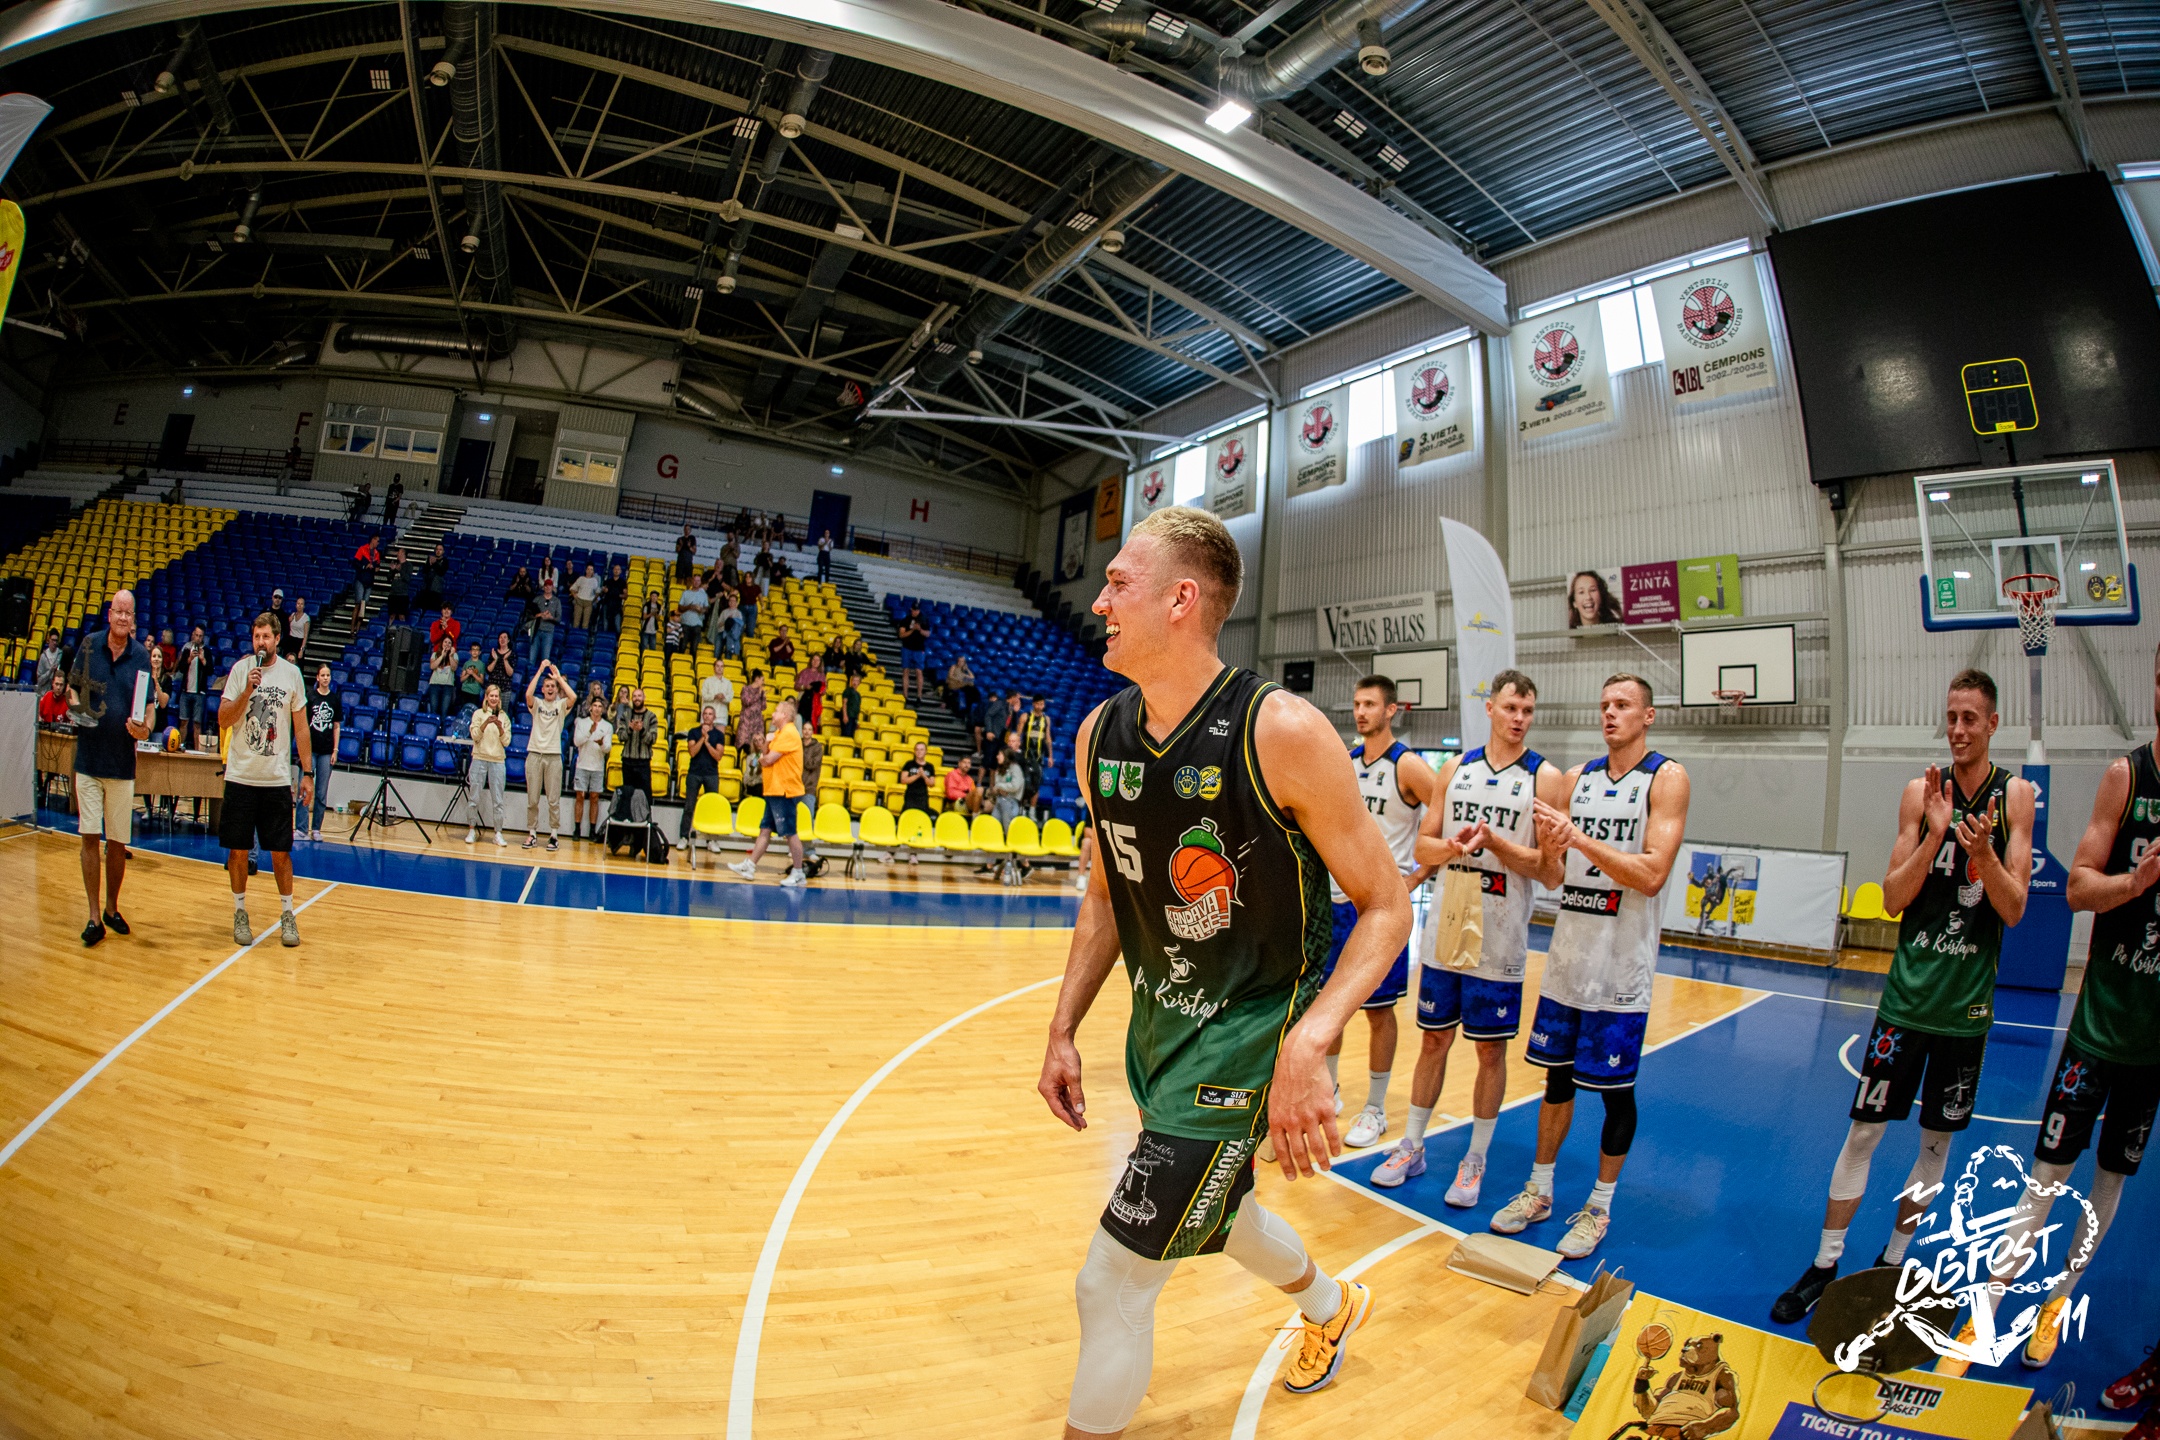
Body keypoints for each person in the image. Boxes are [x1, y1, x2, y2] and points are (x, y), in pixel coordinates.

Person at [1037, 506, 1412, 1433]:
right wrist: (1062, 1027)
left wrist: (1310, 1043)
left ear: (1180, 600)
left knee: (1111, 1282)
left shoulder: (1280, 730)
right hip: (1163, 1036)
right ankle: (1333, 1306)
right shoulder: (1098, 735)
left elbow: (1387, 904)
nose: (1099, 601)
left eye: (1118, 583)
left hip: (1246, 1044)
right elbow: (1104, 893)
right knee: (1219, 1211)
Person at [1769, 668, 2033, 1323]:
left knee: (1935, 1147)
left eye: (1970, 718)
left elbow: (2015, 908)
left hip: (1965, 1013)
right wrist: (1938, 834)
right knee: (1863, 1132)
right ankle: (1824, 1263)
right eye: (1951, 717)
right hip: (1905, 1004)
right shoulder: (1922, 792)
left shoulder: (2015, 797)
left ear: (1993, 723)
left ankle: (1892, 1261)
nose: (1958, 730)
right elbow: (1891, 898)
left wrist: (1984, 854)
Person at [1935, 647, 2160, 1375]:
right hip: (2098, 1027)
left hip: (2153, 1046)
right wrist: (2136, 884)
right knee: (2046, 1176)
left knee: (2110, 1182)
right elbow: (2077, 888)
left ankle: (2057, 1302)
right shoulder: (2129, 776)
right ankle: (1986, 1312)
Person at [1485, 674, 1691, 1262]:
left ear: (1648, 716)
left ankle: (1599, 1207)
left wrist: (1579, 839)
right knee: (1556, 1082)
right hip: (1567, 963)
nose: (1610, 713)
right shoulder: (1577, 780)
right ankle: (1540, 1191)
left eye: (1622, 705)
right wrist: (1550, 849)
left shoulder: (1666, 778)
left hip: (1621, 970)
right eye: (1604, 705)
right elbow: (1553, 877)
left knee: (1616, 1094)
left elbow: (1652, 874)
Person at [1374, 670, 1563, 1197]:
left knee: (1489, 1052)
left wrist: (1496, 844)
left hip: (1501, 933)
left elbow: (1551, 872)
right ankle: (1411, 1145)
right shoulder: (1455, 768)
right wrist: (1456, 846)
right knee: (1434, 1039)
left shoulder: (1545, 778)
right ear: (1490, 708)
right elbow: (1423, 848)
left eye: (1527, 711)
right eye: (1511, 709)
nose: (1519, 719)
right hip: (1447, 925)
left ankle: (1475, 1158)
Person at [1320, 675, 1441, 1153]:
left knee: (1378, 1010)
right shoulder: (1346, 762)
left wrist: (1417, 876)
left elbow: (1444, 813)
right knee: (1327, 1003)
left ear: (1391, 710)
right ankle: (1329, 1089)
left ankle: (1375, 1107)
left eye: (1370, 704)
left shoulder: (1407, 765)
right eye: (1357, 703)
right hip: (1335, 902)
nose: (1361, 712)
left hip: (1379, 909)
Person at [218, 611, 312, 947]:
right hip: (241, 777)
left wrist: (307, 773)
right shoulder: (240, 670)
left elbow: (301, 728)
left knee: (280, 853)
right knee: (238, 852)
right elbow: (224, 719)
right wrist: (247, 690)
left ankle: (287, 914)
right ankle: (240, 911)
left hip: (276, 780)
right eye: (257, 637)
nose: (261, 642)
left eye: (266, 637)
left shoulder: (291, 674)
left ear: (277, 639)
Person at [68, 590, 154, 947]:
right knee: (90, 836)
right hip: (88, 761)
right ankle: (93, 917)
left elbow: (149, 707)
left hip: (122, 763)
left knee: (117, 843)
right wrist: (78, 711)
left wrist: (145, 729)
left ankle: (111, 908)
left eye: (128, 613)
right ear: (109, 614)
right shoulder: (89, 645)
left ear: (133, 619)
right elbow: (73, 690)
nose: (122, 617)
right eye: (118, 611)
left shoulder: (141, 657)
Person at [729, 696, 809, 886]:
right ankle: (750, 866)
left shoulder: (789, 733)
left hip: (785, 791)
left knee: (790, 833)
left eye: (776, 711)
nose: (772, 714)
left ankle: (799, 873)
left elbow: (767, 760)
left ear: (785, 715)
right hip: (774, 790)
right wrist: (766, 741)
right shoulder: (779, 733)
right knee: (765, 830)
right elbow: (764, 754)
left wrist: (764, 756)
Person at [523, 660, 574, 851]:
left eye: (553, 686)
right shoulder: (536, 703)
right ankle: (532, 834)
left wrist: (558, 678)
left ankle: (553, 835)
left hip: (553, 756)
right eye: (547, 686)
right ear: (543, 689)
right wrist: (540, 670)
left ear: (556, 689)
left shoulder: (561, 705)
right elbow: (528, 694)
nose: (550, 688)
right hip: (535, 754)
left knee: (553, 800)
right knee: (533, 799)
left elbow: (573, 696)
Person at [299, 664, 343, 841]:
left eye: (328, 675)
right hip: (310, 751)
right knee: (304, 789)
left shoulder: (334, 699)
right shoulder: (310, 697)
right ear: (317, 677)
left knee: (321, 792)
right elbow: (303, 725)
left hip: (326, 751)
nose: (325, 678)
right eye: (323, 675)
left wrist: (335, 750)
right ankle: (301, 829)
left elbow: (336, 726)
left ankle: (316, 828)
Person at [467, 685, 511, 846]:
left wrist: (499, 727)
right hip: (479, 758)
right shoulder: (478, 714)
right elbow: (475, 736)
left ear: (499, 699)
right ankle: (471, 829)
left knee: (498, 800)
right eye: (491, 695)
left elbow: (507, 742)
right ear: (486, 697)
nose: (493, 698)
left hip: (498, 760)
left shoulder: (504, 717)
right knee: (474, 798)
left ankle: (498, 833)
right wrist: (485, 723)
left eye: (496, 696)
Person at [680, 705, 728, 849]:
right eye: (705, 714)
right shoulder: (693, 732)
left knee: (711, 807)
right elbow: (692, 752)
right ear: (702, 716)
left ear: (714, 717)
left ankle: (711, 840)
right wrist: (702, 738)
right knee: (689, 806)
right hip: (694, 773)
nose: (707, 716)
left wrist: (707, 742)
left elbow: (718, 756)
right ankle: (684, 837)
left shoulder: (719, 735)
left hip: (711, 774)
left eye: (710, 714)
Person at [572, 697, 614, 842]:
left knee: (594, 798)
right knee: (580, 796)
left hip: (597, 767)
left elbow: (608, 748)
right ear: (590, 708)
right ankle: (577, 829)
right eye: (594, 705)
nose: (597, 708)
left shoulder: (607, 726)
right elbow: (576, 742)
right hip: (582, 765)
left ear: (603, 710)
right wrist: (589, 732)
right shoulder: (581, 723)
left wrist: (601, 743)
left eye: (599, 706)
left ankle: (592, 830)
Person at [613, 687, 658, 799]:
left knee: (645, 797)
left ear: (644, 698)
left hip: (643, 763)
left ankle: (645, 812)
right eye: (634, 696)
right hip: (627, 762)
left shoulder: (651, 717)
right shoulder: (625, 716)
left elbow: (652, 739)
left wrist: (642, 730)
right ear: (631, 699)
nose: (637, 698)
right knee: (627, 797)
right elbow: (620, 737)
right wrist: (630, 729)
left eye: (639, 696)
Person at [174, 626, 214, 749]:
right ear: (192, 635)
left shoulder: (207, 651)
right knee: (183, 721)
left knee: (197, 723)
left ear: (203, 637)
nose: (198, 638)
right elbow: (181, 669)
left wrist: (203, 660)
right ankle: (180, 747)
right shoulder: (187, 649)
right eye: (196, 635)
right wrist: (189, 659)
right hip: (185, 691)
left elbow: (210, 671)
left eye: (200, 636)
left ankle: (197, 752)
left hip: (199, 693)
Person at [1020, 695, 1055, 820]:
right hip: (1026, 755)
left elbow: (1048, 738)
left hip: (1039, 757)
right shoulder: (1025, 716)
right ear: (1033, 704)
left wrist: (1050, 756)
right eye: (1038, 704)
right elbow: (1019, 734)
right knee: (1024, 783)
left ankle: (1032, 811)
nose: (1040, 706)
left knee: (1036, 785)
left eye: (1042, 704)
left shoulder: (1046, 719)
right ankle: (1022, 809)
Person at [897, 601, 929, 702]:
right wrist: (912, 630)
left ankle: (919, 696)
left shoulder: (924, 619)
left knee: (919, 671)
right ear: (911, 609)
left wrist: (919, 629)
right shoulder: (906, 620)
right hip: (907, 647)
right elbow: (901, 635)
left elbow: (927, 634)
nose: (915, 612)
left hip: (919, 649)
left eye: (917, 610)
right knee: (906, 670)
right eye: (914, 610)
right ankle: (905, 695)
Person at [528, 578, 562, 670]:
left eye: (549, 586)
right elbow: (529, 614)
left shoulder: (556, 601)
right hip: (536, 630)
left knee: (545, 659)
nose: (547, 588)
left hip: (548, 632)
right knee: (531, 658)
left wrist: (550, 618)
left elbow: (558, 619)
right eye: (546, 586)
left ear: (552, 587)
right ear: (543, 587)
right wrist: (538, 615)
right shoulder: (537, 599)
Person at [426, 633, 459, 717]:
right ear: (442, 643)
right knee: (434, 709)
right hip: (435, 685)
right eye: (445, 642)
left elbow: (454, 668)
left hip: (448, 686)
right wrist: (442, 656)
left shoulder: (455, 655)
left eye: (449, 643)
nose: (447, 644)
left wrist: (450, 656)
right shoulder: (435, 654)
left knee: (444, 710)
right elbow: (432, 666)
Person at [736, 671, 767, 759]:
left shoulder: (761, 691)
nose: (763, 682)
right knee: (743, 746)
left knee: (757, 747)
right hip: (746, 722)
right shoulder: (746, 689)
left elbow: (763, 707)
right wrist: (758, 694)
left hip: (757, 723)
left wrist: (763, 695)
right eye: (762, 680)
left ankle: (755, 765)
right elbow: (747, 702)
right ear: (757, 679)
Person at [991, 746, 1025, 828]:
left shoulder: (1015, 768)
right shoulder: (999, 770)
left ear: (1005, 756)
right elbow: (996, 788)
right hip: (1000, 799)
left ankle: (1008, 834)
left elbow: (1014, 786)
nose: (997, 757)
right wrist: (1001, 788)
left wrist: (1000, 786)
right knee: (994, 825)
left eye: (999, 754)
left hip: (1012, 802)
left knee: (1007, 826)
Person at [351, 536, 381, 624]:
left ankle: (358, 627)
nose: (378, 543)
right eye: (377, 541)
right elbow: (355, 563)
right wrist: (365, 566)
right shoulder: (362, 549)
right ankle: (352, 627)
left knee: (363, 606)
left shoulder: (377, 553)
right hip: (361, 579)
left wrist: (376, 569)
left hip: (369, 581)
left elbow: (378, 565)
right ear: (373, 540)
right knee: (358, 603)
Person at [900, 741, 931, 815]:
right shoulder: (909, 764)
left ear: (926, 751)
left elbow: (931, 783)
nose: (919, 752)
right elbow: (903, 780)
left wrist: (923, 776)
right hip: (910, 796)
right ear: (914, 751)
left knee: (922, 817)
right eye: (917, 749)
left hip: (923, 797)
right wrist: (917, 775)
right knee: (908, 816)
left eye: (921, 749)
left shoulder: (930, 766)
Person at [796, 652, 826, 728]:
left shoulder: (821, 675)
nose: (815, 662)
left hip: (815, 702)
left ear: (820, 662)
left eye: (817, 660)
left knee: (811, 725)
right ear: (811, 660)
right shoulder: (804, 672)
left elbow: (824, 691)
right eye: (814, 659)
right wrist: (804, 687)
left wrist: (819, 690)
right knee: (801, 722)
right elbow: (796, 686)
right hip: (803, 700)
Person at [945, 753, 979, 817]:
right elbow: (950, 793)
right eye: (964, 762)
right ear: (959, 763)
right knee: (979, 791)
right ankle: (975, 816)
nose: (967, 765)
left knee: (980, 793)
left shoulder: (970, 779)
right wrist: (966, 795)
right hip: (955, 802)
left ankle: (976, 815)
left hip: (968, 803)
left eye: (969, 763)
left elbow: (974, 794)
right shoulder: (952, 774)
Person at [947, 653, 980, 720]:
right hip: (955, 684)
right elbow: (950, 676)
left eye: (962, 661)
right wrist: (958, 680)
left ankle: (969, 707)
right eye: (959, 661)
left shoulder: (963, 671)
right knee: (969, 688)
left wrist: (967, 669)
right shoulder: (954, 667)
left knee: (972, 689)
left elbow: (972, 677)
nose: (960, 662)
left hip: (962, 685)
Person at [456, 644, 487, 712]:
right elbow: (461, 679)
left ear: (480, 652)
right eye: (473, 649)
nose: (475, 652)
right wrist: (468, 674)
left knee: (473, 712)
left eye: (477, 650)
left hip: (475, 692)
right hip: (464, 691)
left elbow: (481, 681)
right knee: (463, 711)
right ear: (470, 651)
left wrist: (473, 674)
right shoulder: (466, 663)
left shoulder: (481, 664)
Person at [486, 632, 517, 698]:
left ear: (508, 640)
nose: (502, 639)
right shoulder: (494, 652)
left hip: (505, 689)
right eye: (501, 637)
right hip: (492, 687)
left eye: (505, 637)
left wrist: (505, 660)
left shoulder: (512, 654)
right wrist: (495, 660)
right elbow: (489, 670)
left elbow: (510, 673)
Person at [715, 589, 743, 659]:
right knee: (717, 646)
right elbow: (718, 625)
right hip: (722, 632)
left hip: (731, 634)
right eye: (730, 600)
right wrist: (726, 621)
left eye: (733, 601)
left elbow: (739, 626)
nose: (731, 602)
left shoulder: (739, 613)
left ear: (736, 603)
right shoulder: (724, 612)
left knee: (729, 647)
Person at [600, 563, 627, 635]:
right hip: (607, 604)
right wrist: (603, 591)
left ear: (620, 571)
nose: (616, 571)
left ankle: (617, 640)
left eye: (618, 569)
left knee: (617, 627)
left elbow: (625, 596)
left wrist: (614, 594)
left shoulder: (623, 582)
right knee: (605, 625)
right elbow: (602, 593)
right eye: (615, 569)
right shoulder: (608, 581)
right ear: (612, 570)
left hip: (617, 606)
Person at [570, 563, 599, 630]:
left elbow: (597, 591)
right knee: (576, 622)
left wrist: (595, 598)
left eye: (591, 569)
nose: (589, 571)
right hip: (579, 601)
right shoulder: (581, 578)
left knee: (585, 623)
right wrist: (574, 595)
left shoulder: (594, 580)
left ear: (593, 571)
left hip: (589, 602)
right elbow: (572, 588)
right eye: (588, 569)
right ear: (586, 570)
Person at [839, 673, 863, 739]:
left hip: (854, 717)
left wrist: (857, 721)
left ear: (859, 683)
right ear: (851, 681)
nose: (855, 682)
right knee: (846, 734)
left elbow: (858, 708)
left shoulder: (858, 695)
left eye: (857, 681)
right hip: (848, 716)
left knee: (851, 736)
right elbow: (844, 703)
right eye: (854, 680)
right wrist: (845, 715)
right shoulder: (847, 691)